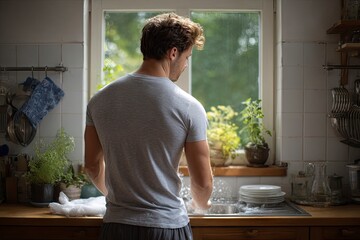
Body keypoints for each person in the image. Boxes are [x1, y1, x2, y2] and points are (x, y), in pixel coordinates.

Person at [85, 12, 213, 240]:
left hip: (117, 227)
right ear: (173, 52)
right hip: (167, 227)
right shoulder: (189, 106)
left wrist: (120, 198)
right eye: (187, 57)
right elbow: (203, 183)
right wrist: (199, 205)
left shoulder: (99, 101)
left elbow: (92, 166)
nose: (184, 65)